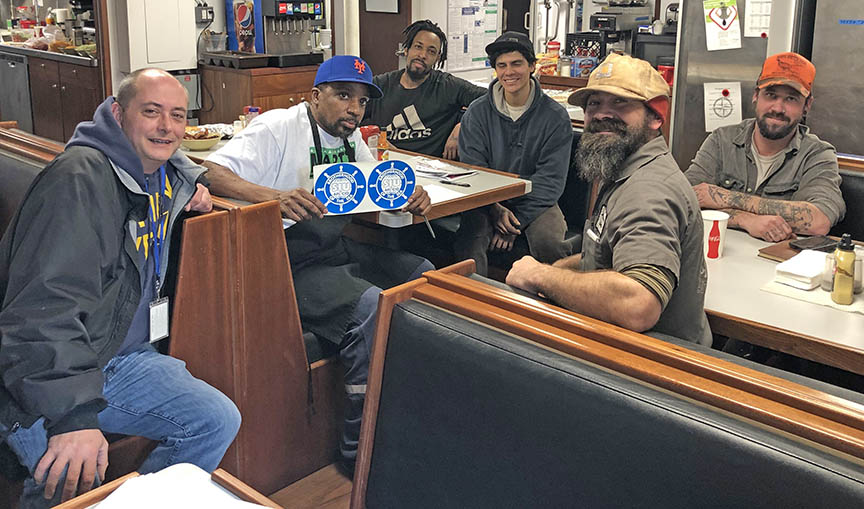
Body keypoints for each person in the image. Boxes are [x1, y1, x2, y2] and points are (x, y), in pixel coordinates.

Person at [0, 69, 241, 508]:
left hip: (120, 356)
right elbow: (40, 311)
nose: (166, 126)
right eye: (150, 112)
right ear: (117, 114)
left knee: (215, 419)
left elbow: (181, 163)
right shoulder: (79, 180)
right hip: (36, 368)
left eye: (177, 115)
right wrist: (72, 417)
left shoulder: (160, 174)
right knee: (70, 476)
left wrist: (194, 185)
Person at [202, 55, 433, 470]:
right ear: (315, 95)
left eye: (361, 101)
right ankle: (356, 450)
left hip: (333, 249)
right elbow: (208, 170)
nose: (353, 109)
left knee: (426, 279)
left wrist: (409, 196)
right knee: (371, 305)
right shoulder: (277, 127)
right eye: (343, 96)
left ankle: (406, 412)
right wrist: (270, 196)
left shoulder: (352, 139)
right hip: (284, 259)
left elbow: (373, 192)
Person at [506, 53, 711, 346]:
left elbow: (639, 303)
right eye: (594, 104)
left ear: (656, 116)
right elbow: (606, 255)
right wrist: (558, 272)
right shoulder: (626, 169)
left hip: (652, 370)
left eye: (620, 103)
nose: (602, 114)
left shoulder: (648, 189)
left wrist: (541, 276)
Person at [684, 52, 845, 243]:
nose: (778, 108)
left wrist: (724, 198)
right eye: (771, 95)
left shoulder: (817, 155)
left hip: (778, 266)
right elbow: (684, 199)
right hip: (719, 257)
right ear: (756, 96)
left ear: (807, 105)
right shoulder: (722, 140)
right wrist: (745, 220)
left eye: (791, 99)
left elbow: (819, 221)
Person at [456, 31, 574, 276]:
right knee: (471, 237)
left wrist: (514, 222)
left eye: (517, 63)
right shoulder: (477, 114)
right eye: (502, 65)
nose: (509, 72)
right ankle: (473, 301)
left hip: (536, 201)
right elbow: (474, 171)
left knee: (549, 240)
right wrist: (495, 208)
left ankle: (551, 306)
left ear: (532, 65)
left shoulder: (555, 117)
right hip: (487, 199)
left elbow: (551, 180)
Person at [362, 20, 485, 160]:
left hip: (432, 172)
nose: (422, 55)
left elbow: (491, 98)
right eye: (418, 47)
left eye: (431, 51)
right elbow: (348, 118)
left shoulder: (448, 86)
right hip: (387, 166)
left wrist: (463, 126)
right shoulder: (380, 85)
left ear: (437, 58)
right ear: (406, 49)